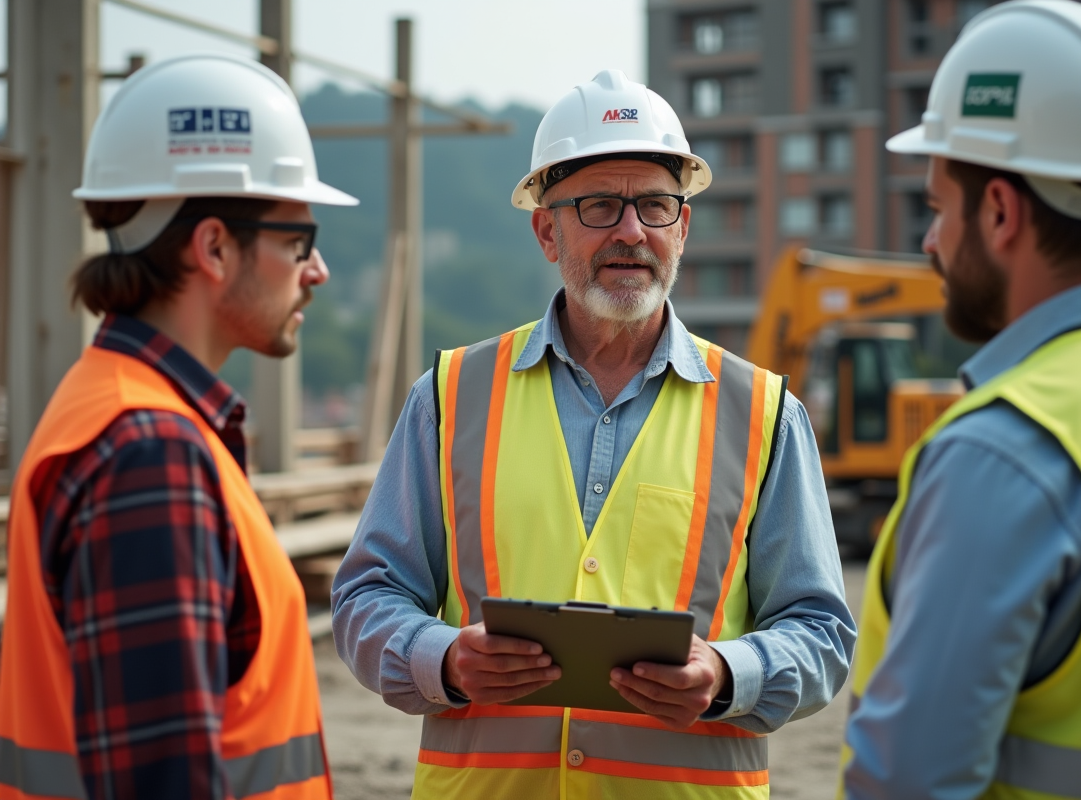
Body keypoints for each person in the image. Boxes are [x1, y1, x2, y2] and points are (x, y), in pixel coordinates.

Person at [332, 69, 856, 799]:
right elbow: (367, 595)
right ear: (548, 230)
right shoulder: (451, 398)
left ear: (684, 226)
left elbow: (823, 632)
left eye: (655, 205)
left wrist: (729, 674)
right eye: (601, 206)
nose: (632, 231)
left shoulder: (763, 412)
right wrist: (444, 659)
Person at [839, 2, 1081, 798]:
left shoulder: (998, 453)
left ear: (1000, 211)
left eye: (936, 209)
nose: (929, 243)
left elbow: (909, 782)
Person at [0, 54, 358, 800]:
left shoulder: (110, 406)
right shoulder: (150, 452)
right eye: (299, 241)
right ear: (216, 247)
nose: (316, 270)